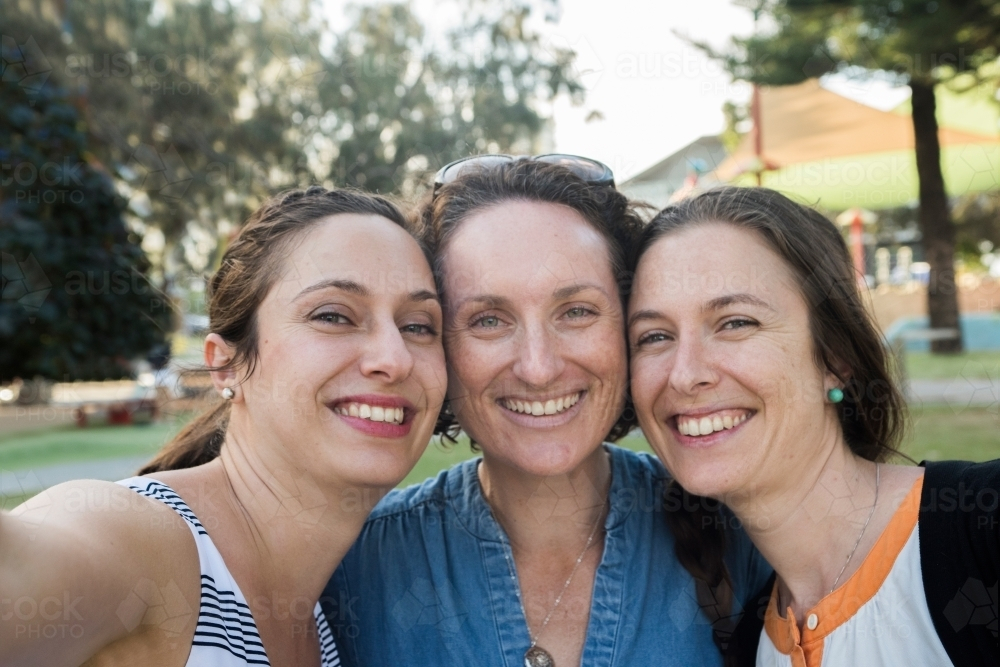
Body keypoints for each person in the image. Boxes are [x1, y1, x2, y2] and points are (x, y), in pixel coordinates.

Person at [325, 158, 772, 667]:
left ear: (627, 325)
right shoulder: (349, 571)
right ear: (435, 341)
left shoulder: (751, 540)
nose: (538, 368)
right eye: (489, 319)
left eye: (577, 311)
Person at [0, 186, 447, 666]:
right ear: (226, 365)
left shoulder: (326, 620)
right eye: (333, 315)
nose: (394, 359)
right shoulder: (142, 542)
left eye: (418, 325)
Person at [627, 186, 999, 667]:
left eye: (736, 323)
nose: (684, 373)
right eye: (654, 336)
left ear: (835, 358)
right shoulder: (747, 645)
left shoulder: (983, 532)